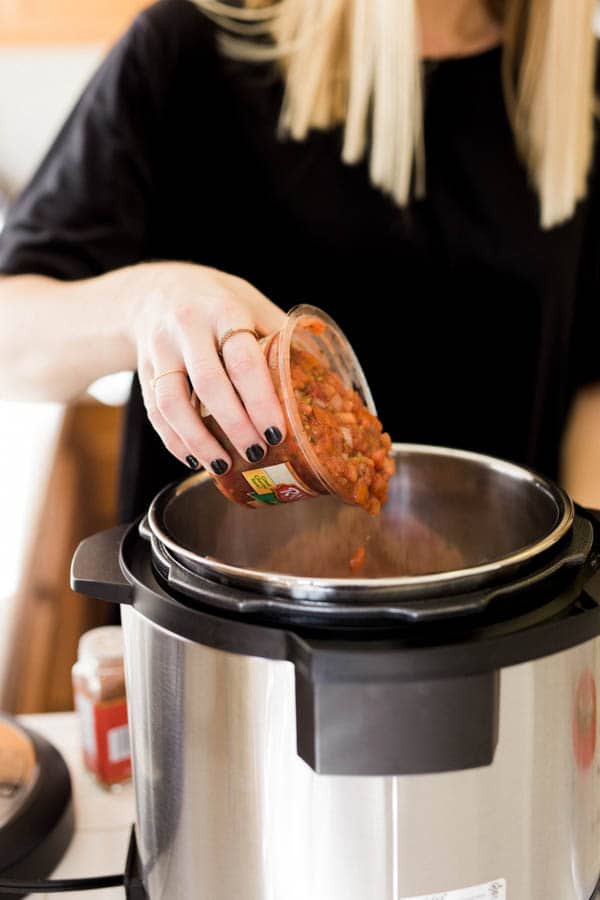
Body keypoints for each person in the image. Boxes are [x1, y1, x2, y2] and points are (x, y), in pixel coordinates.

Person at [0, 0, 598, 522]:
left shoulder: (580, 86)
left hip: (504, 628)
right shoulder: (186, 46)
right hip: (218, 636)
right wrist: (147, 303)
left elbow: (590, 389)